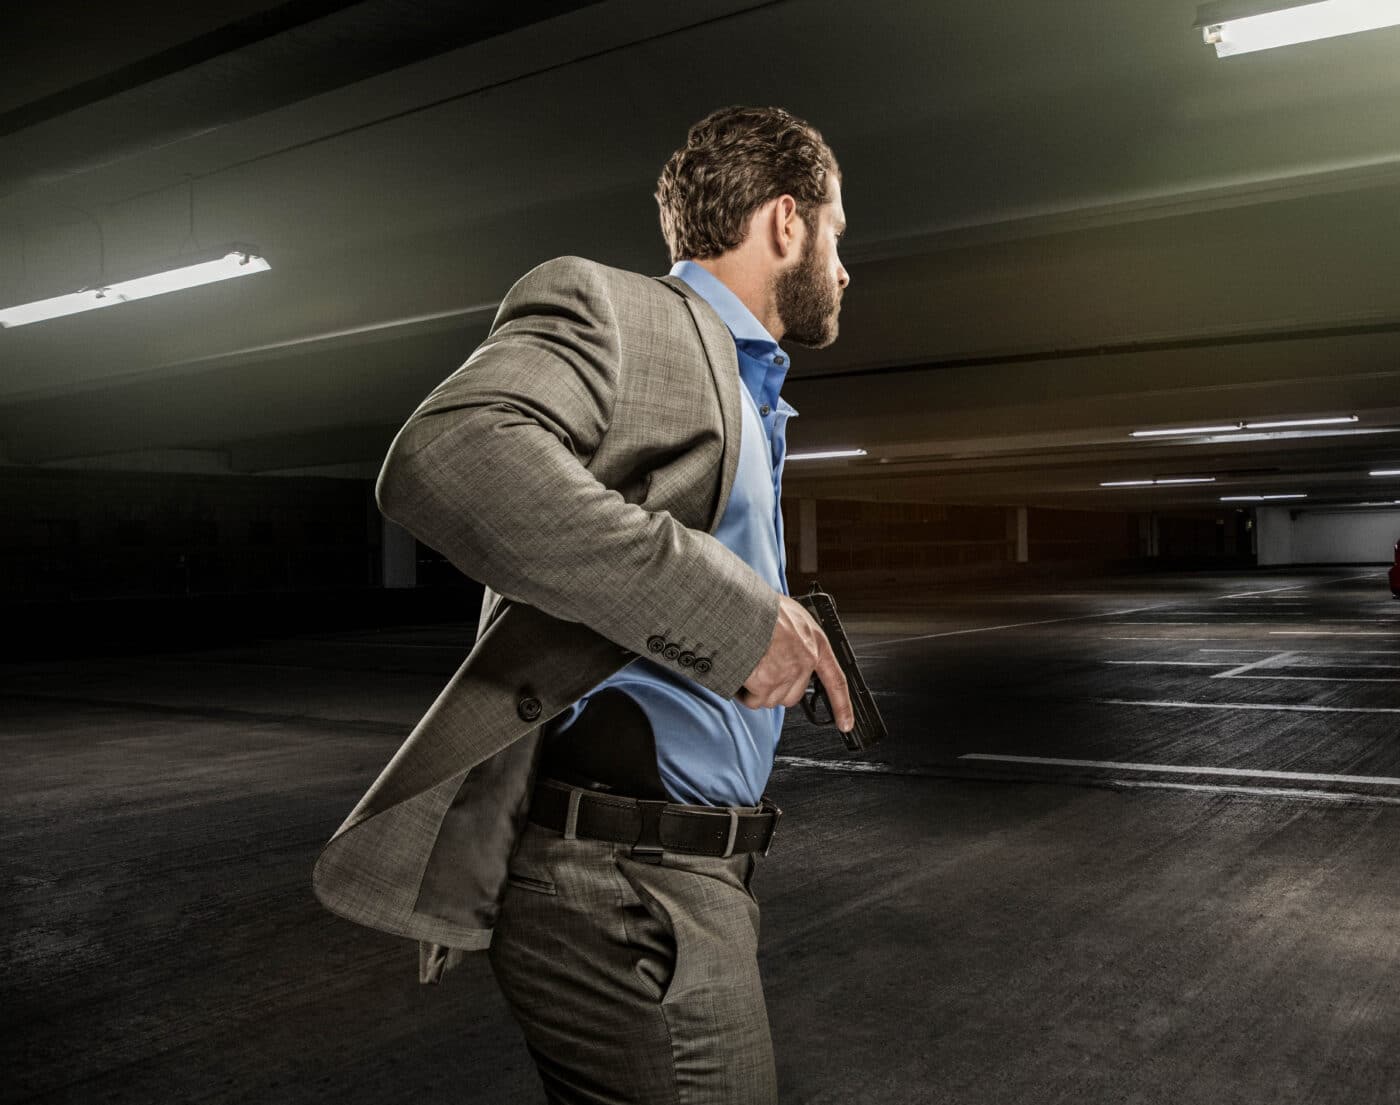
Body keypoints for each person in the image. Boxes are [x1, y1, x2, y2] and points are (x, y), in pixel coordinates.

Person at [312, 105, 854, 1105]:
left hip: (684, 879)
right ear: (786, 220)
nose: (843, 265)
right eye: (837, 233)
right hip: (624, 887)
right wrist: (739, 619)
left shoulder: (753, 390)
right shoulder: (617, 310)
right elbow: (450, 455)